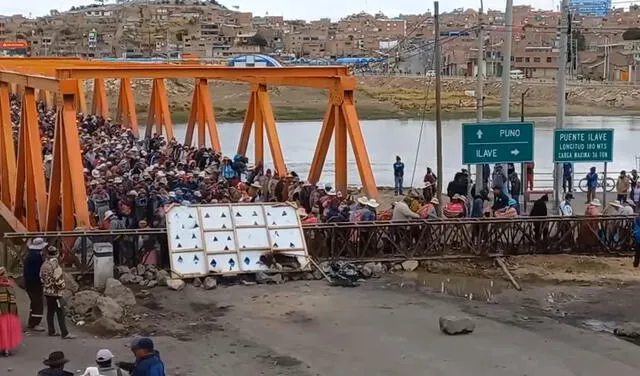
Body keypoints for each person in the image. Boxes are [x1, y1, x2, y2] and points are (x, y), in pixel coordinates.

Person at [40, 246, 74, 339]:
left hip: (47, 291)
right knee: (60, 312)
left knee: (50, 312)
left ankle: (51, 330)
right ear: (57, 254)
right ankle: (65, 333)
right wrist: (62, 288)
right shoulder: (56, 266)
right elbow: (58, 280)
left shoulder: (44, 264)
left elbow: (41, 277)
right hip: (56, 293)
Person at [24, 237, 46, 331]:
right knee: (38, 303)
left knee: (34, 302)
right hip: (35, 283)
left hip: (29, 282)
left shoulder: (30, 255)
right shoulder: (37, 257)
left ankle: (31, 322)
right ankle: (35, 323)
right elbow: (39, 271)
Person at [0, 267, 21, 356]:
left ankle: (6, 348)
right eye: (4, 274)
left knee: (7, 330)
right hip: (1, 312)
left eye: (6, 273)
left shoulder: (10, 285)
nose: (6, 275)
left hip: (10, 312)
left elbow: (14, 299)